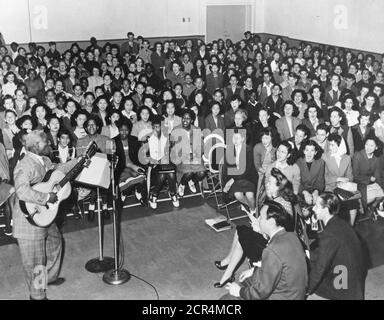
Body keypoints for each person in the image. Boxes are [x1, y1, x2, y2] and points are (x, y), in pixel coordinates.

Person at [12, 130, 78, 300]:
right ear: (36, 146)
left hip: (44, 215)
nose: (50, 145)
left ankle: (49, 276)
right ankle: (37, 295)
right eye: (46, 143)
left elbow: (56, 170)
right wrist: (47, 197)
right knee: (36, 262)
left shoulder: (45, 160)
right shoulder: (25, 164)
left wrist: (78, 161)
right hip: (29, 219)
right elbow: (22, 191)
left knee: (55, 241)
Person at [221, 200, 308, 300]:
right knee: (246, 281)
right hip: (295, 294)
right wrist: (254, 270)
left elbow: (261, 292)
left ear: (271, 222)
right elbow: (282, 264)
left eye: (261, 217)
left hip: (282, 296)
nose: (258, 219)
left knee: (227, 299)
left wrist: (239, 292)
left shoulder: (271, 250)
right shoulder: (292, 236)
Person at [307, 192, 366, 300]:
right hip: (354, 280)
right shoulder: (342, 224)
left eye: (316, 206)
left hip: (342, 287)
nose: (313, 209)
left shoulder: (329, 233)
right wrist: (309, 254)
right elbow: (330, 251)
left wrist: (307, 290)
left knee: (309, 276)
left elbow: (321, 267)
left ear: (325, 209)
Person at [222, 128, 259, 215]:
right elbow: (227, 169)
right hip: (235, 178)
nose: (235, 140)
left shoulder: (249, 150)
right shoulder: (229, 150)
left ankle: (253, 211)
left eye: (237, 138)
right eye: (233, 138)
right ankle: (252, 207)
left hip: (248, 178)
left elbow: (247, 170)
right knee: (238, 195)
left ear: (243, 139)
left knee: (250, 195)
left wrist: (232, 180)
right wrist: (226, 184)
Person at [171, 109, 206, 197]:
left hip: (195, 157)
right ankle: (182, 185)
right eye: (183, 118)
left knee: (202, 172)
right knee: (188, 172)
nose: (185, 120)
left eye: (188, 118)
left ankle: (191, 182)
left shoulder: (196, 129)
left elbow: (201, 146)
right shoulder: (176, 129)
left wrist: (195, 154)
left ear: (192, 120)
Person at [147, 115, 179, 209]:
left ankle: (172, 193)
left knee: (171, 172)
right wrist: (158, 160)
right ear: (153, 127)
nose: (158, 129)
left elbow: (169, 152)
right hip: (154, 163)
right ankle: (156, 195)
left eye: (160, 126)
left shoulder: (166, 136)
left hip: (165, 162)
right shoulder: (149, 138)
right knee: (163, 174)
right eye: (156, 127)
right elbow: (150, 155)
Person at [352, 136, 384, 211]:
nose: (368, 147)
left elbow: (377, 175)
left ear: (376, 147)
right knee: (365, 200)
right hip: (359, 183)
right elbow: (355, 176)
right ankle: (365, 207)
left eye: (371, 145)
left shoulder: (377, 158)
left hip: (371, 183)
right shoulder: (358, 155)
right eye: (367, 144)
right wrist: (369, 179)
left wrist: (381, 187)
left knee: (381, 194)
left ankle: (373, 207)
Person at [296, 140, 325, 206]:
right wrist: (305, 193)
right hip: (301, 192)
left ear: (315, 152)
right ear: (303, 151)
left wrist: (316, 192)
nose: (309, 153)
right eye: (307, 150)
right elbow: (296, 182)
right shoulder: (297, 163)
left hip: (315, 190)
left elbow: (320, 181)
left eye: (312, 150)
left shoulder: (321, 162)